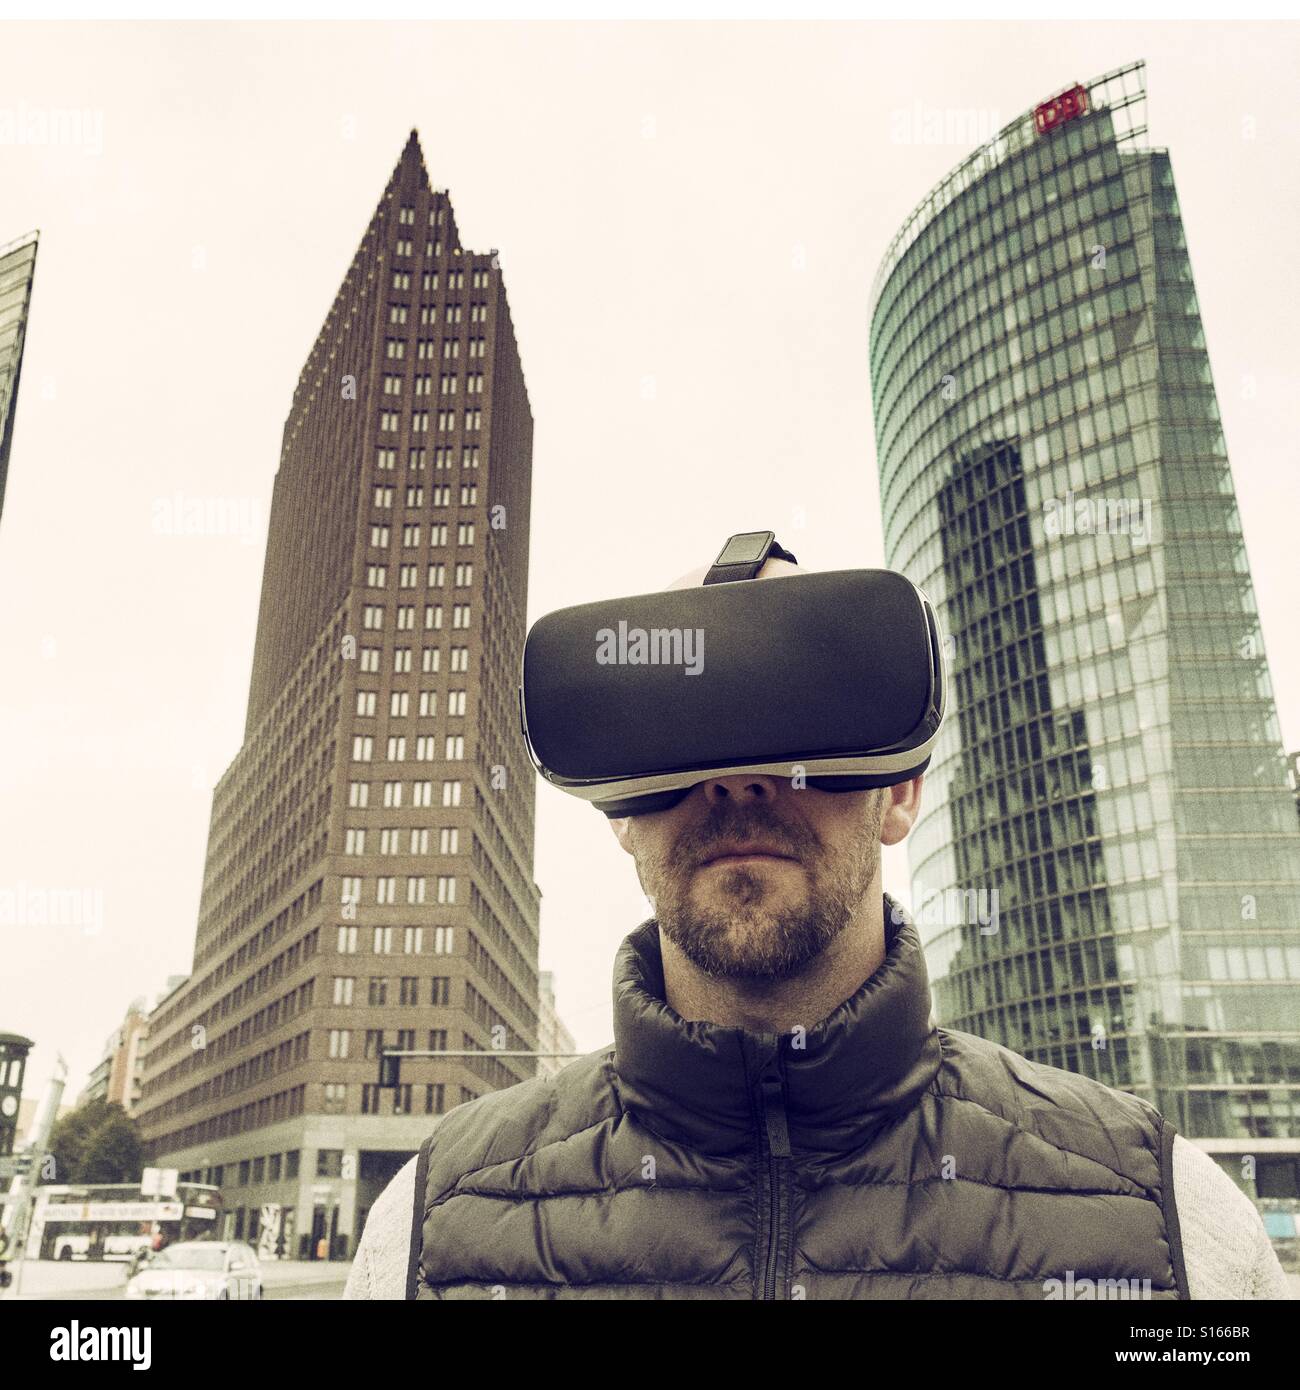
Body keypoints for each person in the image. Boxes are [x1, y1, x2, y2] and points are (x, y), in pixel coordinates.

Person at [345, 552, 1291, 1301]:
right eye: (678, 734)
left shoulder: (1164, 1223)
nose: (739, 781)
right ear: (622, 814)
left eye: (803, 719)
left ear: (900, 792)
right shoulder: (433, 1229)